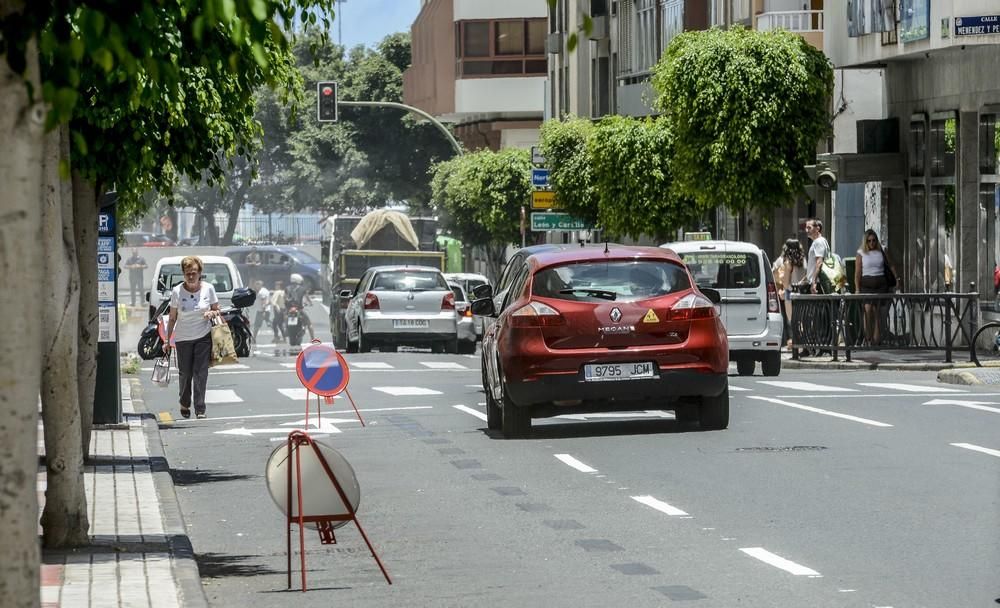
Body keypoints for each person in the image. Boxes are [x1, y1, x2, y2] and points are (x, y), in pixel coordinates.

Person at [163, 256, 221, 419]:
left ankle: (200, 408)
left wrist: (212, 312)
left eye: (194, 273)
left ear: (200, 273)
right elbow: (172, 317)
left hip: (203, 336)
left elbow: (217, 309)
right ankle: (184, 402)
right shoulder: (177, 291)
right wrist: (167, 340)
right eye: (187, 273)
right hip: (182, 338)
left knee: (200, 373)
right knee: (185, 373)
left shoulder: (208, 289)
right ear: (183, 274)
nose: (190, 276)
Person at [854, 229, 899, 346]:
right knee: (867, 310)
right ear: (865, 242)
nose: (872, 243)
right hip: (866, 285)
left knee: (877, 311)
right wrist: (857, 289)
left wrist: (897, 279)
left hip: (881, 285)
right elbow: (857, 273)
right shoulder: (861, 253)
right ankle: (867, 337)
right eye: (869, 241)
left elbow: (891, 265)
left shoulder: (882, 250)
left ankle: (876, 339)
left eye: (874, 240)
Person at [778, 238, 806, 347]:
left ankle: (796, 343)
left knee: (792, 320)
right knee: (801, 319)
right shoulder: (803, 261)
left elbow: (785, 283)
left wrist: (782, 291)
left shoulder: (788, 262)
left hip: (790, 292)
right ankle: (802, 342)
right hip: (802, 291)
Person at [799, 218, 830, 294]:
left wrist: (814, 282)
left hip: (818, 283)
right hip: (815, 282)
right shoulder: (820, 241)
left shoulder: (818, 242)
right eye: (806, 228)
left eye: (809, 227)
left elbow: (819, 262)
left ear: (817, 228)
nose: (806, 230)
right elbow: (812, 266)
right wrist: (804, 279)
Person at [285, 273, 315, 341]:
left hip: (289, 309)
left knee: (284, 318)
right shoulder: (302, 289)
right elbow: (307, 298)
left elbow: (285, 298)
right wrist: (310, 303)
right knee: (309, 323)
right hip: (299, 309)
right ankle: (312, 338)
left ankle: (286, 330)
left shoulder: (287, 288)